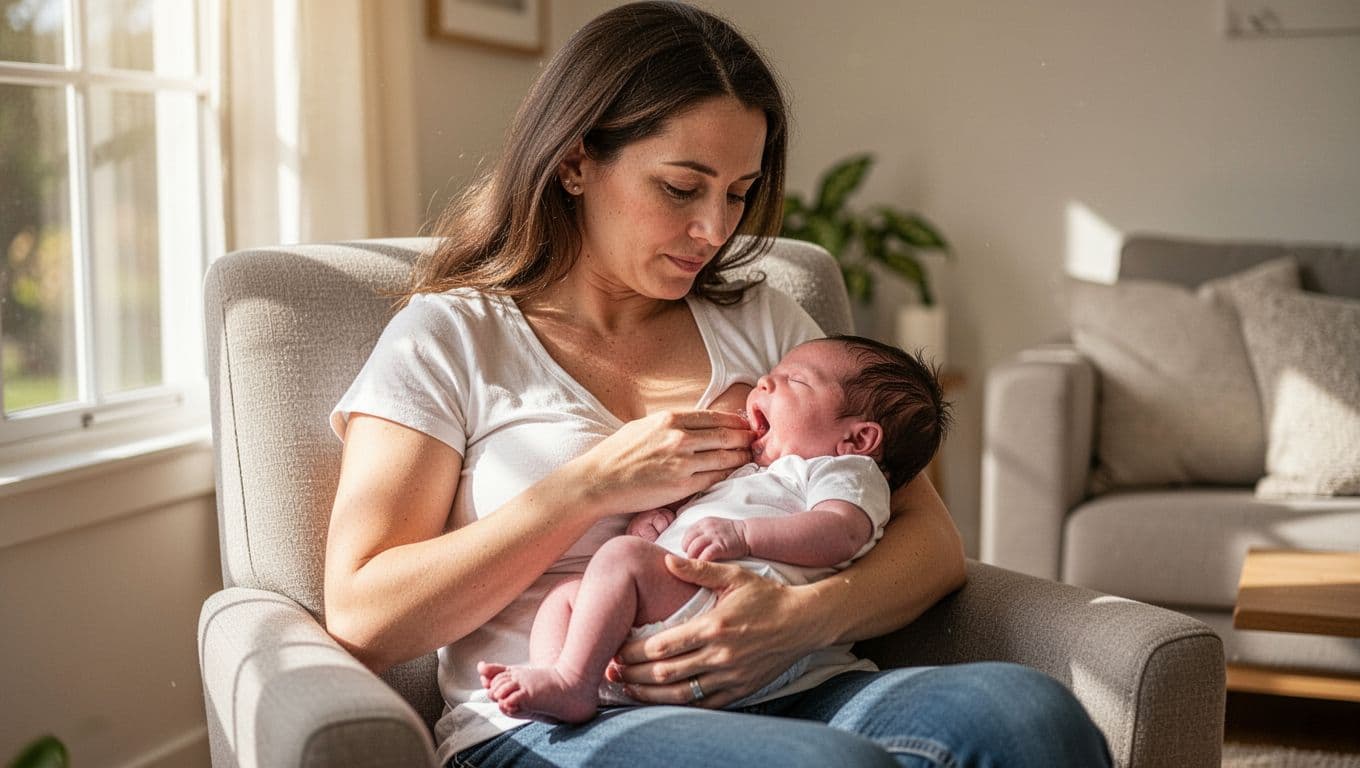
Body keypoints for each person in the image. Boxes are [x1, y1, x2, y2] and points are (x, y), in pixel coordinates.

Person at [324, 2, 1112, 766]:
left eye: (738, 192)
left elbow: (932, 542)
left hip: (800, 682)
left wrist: (800, 619)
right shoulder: (452, 336)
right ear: (574, 162)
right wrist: (586, 488)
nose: (716, 229)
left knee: (1030, 716)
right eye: (681, 188)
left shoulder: (765, 321)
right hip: (560, 720)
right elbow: (366, 614)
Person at [478, 336, 950, 724]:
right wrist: (654, 527)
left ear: (859, 438)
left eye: (795, 380)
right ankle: (560, 678)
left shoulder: (841, 470)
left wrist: (745, 537)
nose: (766, 380)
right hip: (676, 609)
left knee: (621, 559)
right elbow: (693, 527)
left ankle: (573, 682)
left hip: (735, 614)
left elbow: (841, 532)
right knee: (566, 595)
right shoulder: (755, 473)